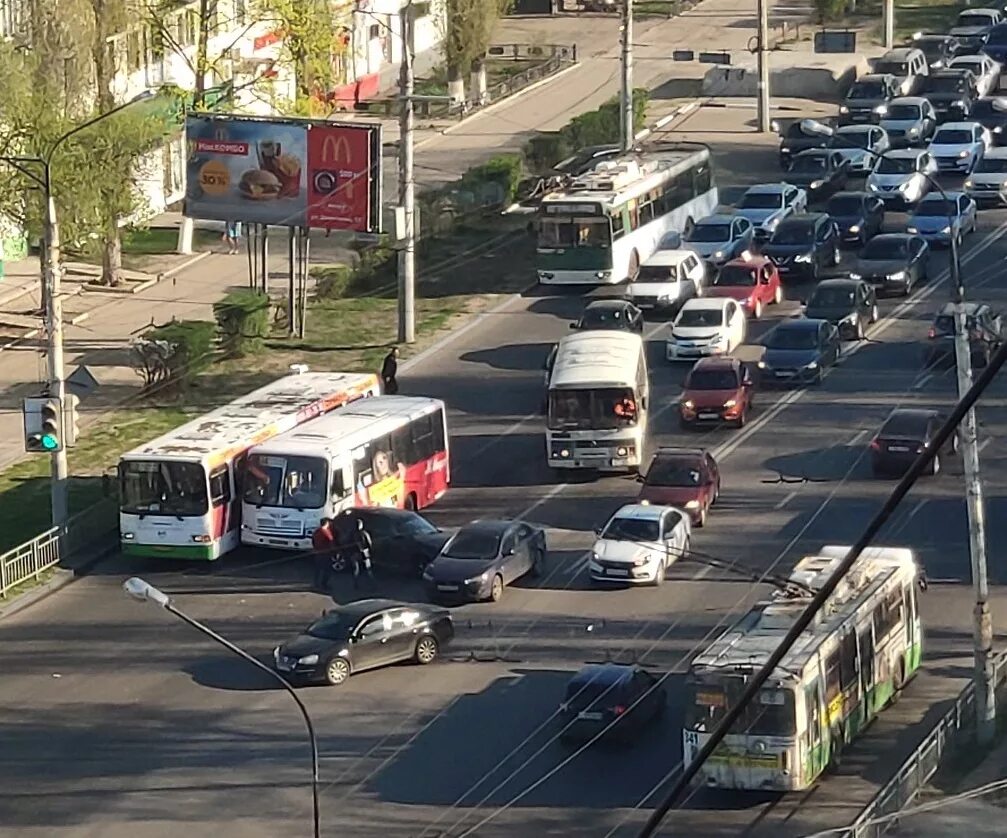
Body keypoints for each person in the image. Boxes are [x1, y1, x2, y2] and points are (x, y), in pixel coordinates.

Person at [311, 518, 335, 592]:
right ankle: (324, 584)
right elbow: (331, 542)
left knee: (318, 569)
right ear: (326, 523)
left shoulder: (316, 532)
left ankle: (316, 584)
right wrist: (333, 551)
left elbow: (313, 541)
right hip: (325, 554)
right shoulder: (326, 532)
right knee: (327, 570)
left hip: (317, 553)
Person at [350, 518, 375, 590]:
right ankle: (372, 585)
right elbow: (369, 544)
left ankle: (356, 585)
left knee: (356, 570)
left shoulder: (352, 534)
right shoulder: (364, 534)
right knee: (368, 570)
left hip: (355, 554)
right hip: (364, 553)